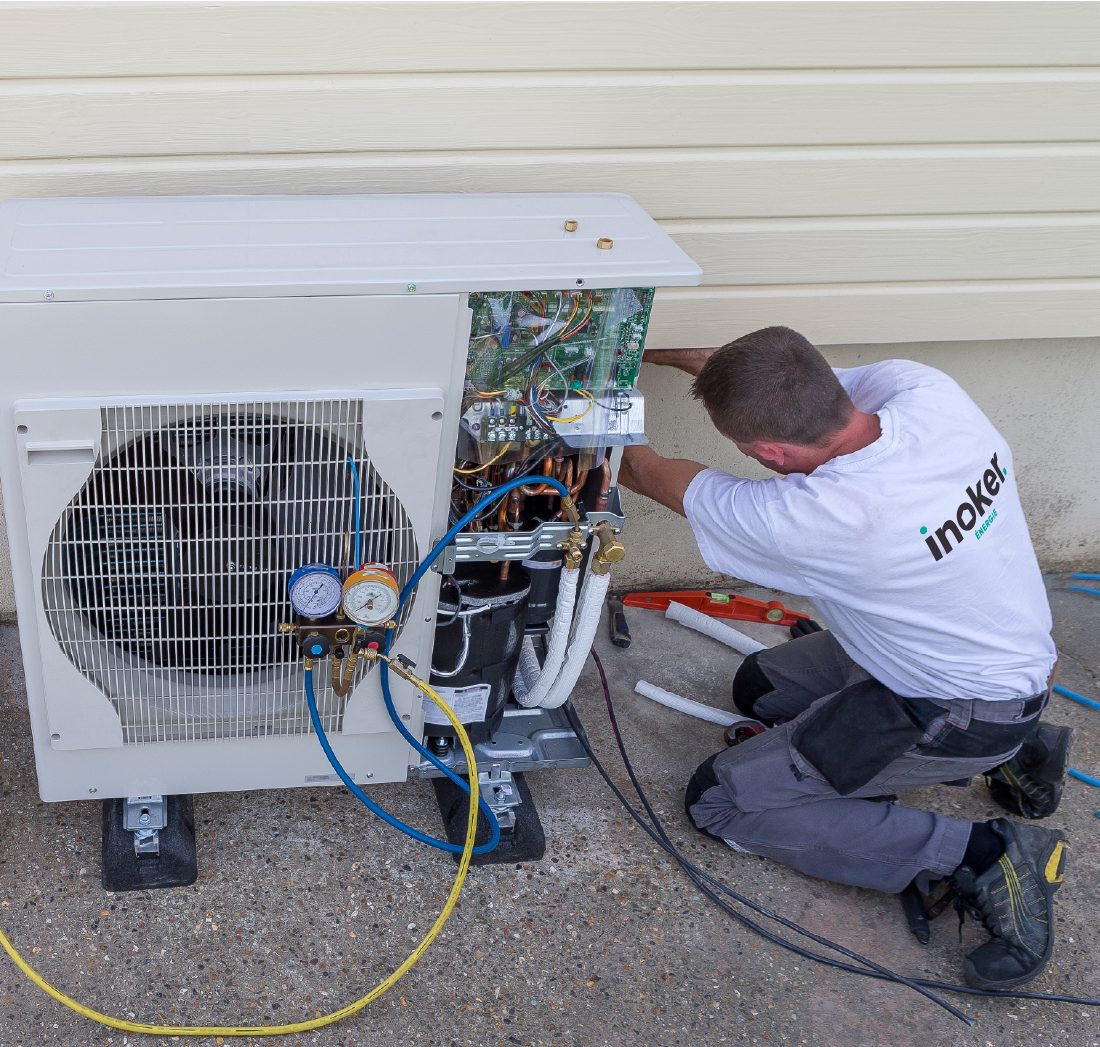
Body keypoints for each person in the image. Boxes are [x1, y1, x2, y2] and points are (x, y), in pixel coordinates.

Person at [617, 326, 1071, 991]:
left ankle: (985, 853)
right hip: (988, 651)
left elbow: (635, 468)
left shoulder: (823, 515)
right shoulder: (924, 392)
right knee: (760, 688)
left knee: (723, 801)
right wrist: (629, 348)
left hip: (953, 705)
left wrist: (597, 384)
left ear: (768, 450)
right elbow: (746, 368)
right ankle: (1021, 748)